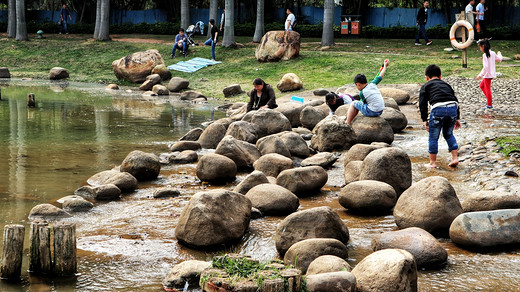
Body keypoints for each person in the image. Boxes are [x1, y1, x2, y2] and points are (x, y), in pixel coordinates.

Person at [419, 64, 461, 168]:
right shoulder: (446, 85)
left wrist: (424, 120)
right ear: (440, 76)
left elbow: (422, 104)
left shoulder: (426, 86)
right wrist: (457, 117)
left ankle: (432, 163)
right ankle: (455, 158)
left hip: (438, 109)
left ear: (427, 78)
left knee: (433, 137)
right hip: (452, 108)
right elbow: (455, 99)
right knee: (448, 134)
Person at [346, 59, 389, 125]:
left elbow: (361, 102)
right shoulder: (372, 84)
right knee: (358, 104)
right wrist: (385, 66)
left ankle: (347, 123)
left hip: (372, 112)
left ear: (358, 84)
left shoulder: (362, 92)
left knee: (353, 103)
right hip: (380, 111)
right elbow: (380, 76)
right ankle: (351, 119)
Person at [476, 38, 502, 109]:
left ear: (483, 46)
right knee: (481, 86)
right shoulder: (493, 53)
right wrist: (499, 54)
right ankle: (489, 99)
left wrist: (480, 75)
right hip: (490, 74)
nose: (480, 49)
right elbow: (499, 59)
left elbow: (485, 67)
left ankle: (489, 104)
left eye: (480, 47)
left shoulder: (485, 55)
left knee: (487, 89)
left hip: (487, 75)